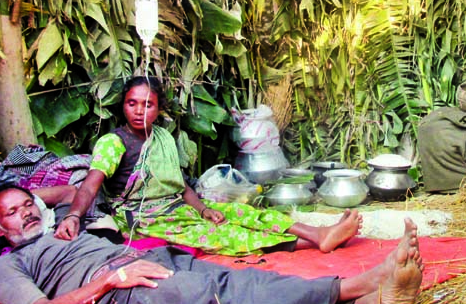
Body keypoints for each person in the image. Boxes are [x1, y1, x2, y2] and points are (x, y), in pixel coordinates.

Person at [0, 184, 423, 304]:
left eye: (27, 203)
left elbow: (73, 192)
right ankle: (356, 285)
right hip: (117, 294)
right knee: (223, 293)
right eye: (12, 213)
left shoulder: (63, 225)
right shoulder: (8, 266)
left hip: (146, 259)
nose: (27, 213)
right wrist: (111, 282)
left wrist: (53, 207)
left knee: (232, 280)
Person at [55, 76, 360, 256]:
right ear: (123, 106)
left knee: (244, 212)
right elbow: (91, 184)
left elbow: (181, 185)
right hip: (147, 219)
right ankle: (308, 243)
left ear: (159, 110)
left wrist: (203, 209)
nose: (138, 111)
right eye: (132, 103)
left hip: (179, 207)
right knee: (228, 236)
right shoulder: (114, 143)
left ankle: (320, 234)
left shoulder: (162, 136)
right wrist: (72, 216)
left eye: (147, 104)